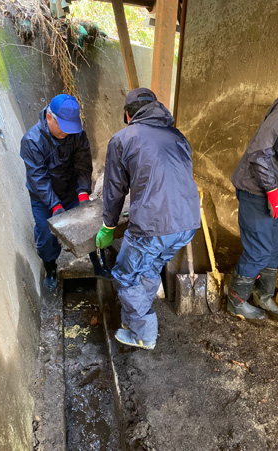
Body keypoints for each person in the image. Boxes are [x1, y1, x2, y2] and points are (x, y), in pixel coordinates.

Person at [96, 87, 201, 350]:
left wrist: (109, 225)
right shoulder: (178, 136)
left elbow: (114, 189)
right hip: (187, 224)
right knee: (150, 267)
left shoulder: (122, 139)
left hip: (152, 227)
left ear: (128, 116)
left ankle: (144, 333)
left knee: (125, 275)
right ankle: (133, 321)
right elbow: (172, 179)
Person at [20, 94, 111, 291]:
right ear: (49, 117)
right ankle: (50, 267)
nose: (66, 133)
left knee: (92, 224)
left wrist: (83, 195)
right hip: (44, 197)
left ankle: (98, 262)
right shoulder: (32, 141)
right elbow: (38, 178)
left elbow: (83, 167)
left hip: (71, 190)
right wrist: (55, 206)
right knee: (46, 234)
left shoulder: (77, 135)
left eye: (70, 127)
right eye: (63, 127)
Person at [228, 91, 278, 321]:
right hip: (258, 189)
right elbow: (258, 151)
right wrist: (273, 192)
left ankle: (262, 295)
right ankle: (236, 301)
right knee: (258, 250)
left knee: (276, 249)